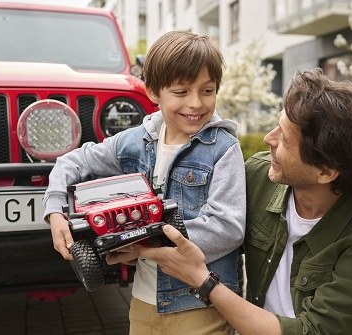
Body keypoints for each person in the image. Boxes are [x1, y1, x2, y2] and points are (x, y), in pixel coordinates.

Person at [111, 68, 352, 335]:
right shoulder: (257, 176)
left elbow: (314, 331)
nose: (268, 139)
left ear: (326, 171)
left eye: (285, 139)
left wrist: (204, 281)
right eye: (277, 125)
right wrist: (143, 247)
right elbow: (209, 232)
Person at [43, 30, 246, 335]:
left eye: (207, 90)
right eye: (181, 92)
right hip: (142, 302)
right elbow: (72, 162)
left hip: (199, 303)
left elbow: (227, 228)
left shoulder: (222, 148)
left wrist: (144, 243)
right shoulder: (135, 141)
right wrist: (55, 208)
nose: (195, 103)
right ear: (153, 92)